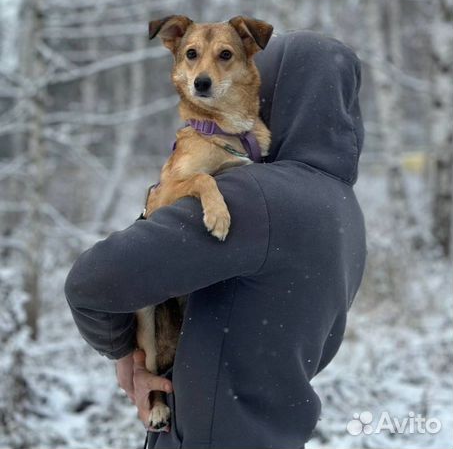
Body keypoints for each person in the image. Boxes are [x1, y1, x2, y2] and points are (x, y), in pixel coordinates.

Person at [65, 30, 366, 449]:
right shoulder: (346, 211)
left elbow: (92, 281)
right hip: (279, 432)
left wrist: (126, 354)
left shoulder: (255, 196)